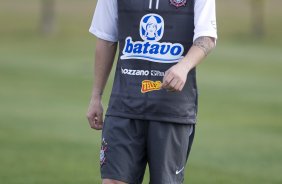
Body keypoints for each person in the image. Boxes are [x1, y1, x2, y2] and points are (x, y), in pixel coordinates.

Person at [87, 0, 217, 183]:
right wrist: (96, 96)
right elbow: (106, 38)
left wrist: (183, 67)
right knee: (113, 181)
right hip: (124, 105)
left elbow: (207, 38)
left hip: (171, 110)